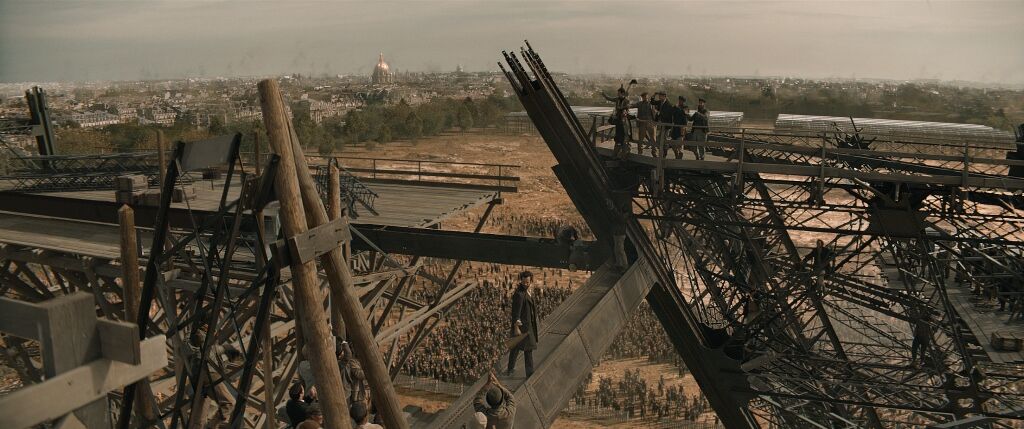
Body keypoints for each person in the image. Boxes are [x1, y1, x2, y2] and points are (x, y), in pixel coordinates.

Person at [507, 271, 539, 377]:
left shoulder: (527, 291)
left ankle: (510, 368)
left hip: (527, 325)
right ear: (521, 280)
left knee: (516, 347)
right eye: (524, 282)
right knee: (528, 349)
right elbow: (516, 312)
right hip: (523, 327)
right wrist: (516, 327)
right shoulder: (519, 294)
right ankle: (529, 373)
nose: (526, 284)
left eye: (528, 282)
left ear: (531, 281)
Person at [602, 84, 633, 159]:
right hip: (619, 119)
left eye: (619, 93)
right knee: (618, 136)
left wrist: (622, 109)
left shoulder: (626, 101)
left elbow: (627, 107)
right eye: (618, 93)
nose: (618, 94)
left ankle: (624, 153)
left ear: (622, 93)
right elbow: (609, 98)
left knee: (624, 136)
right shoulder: (617, 99)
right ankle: (617, 154)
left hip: (624, 120)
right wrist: (604, 95)